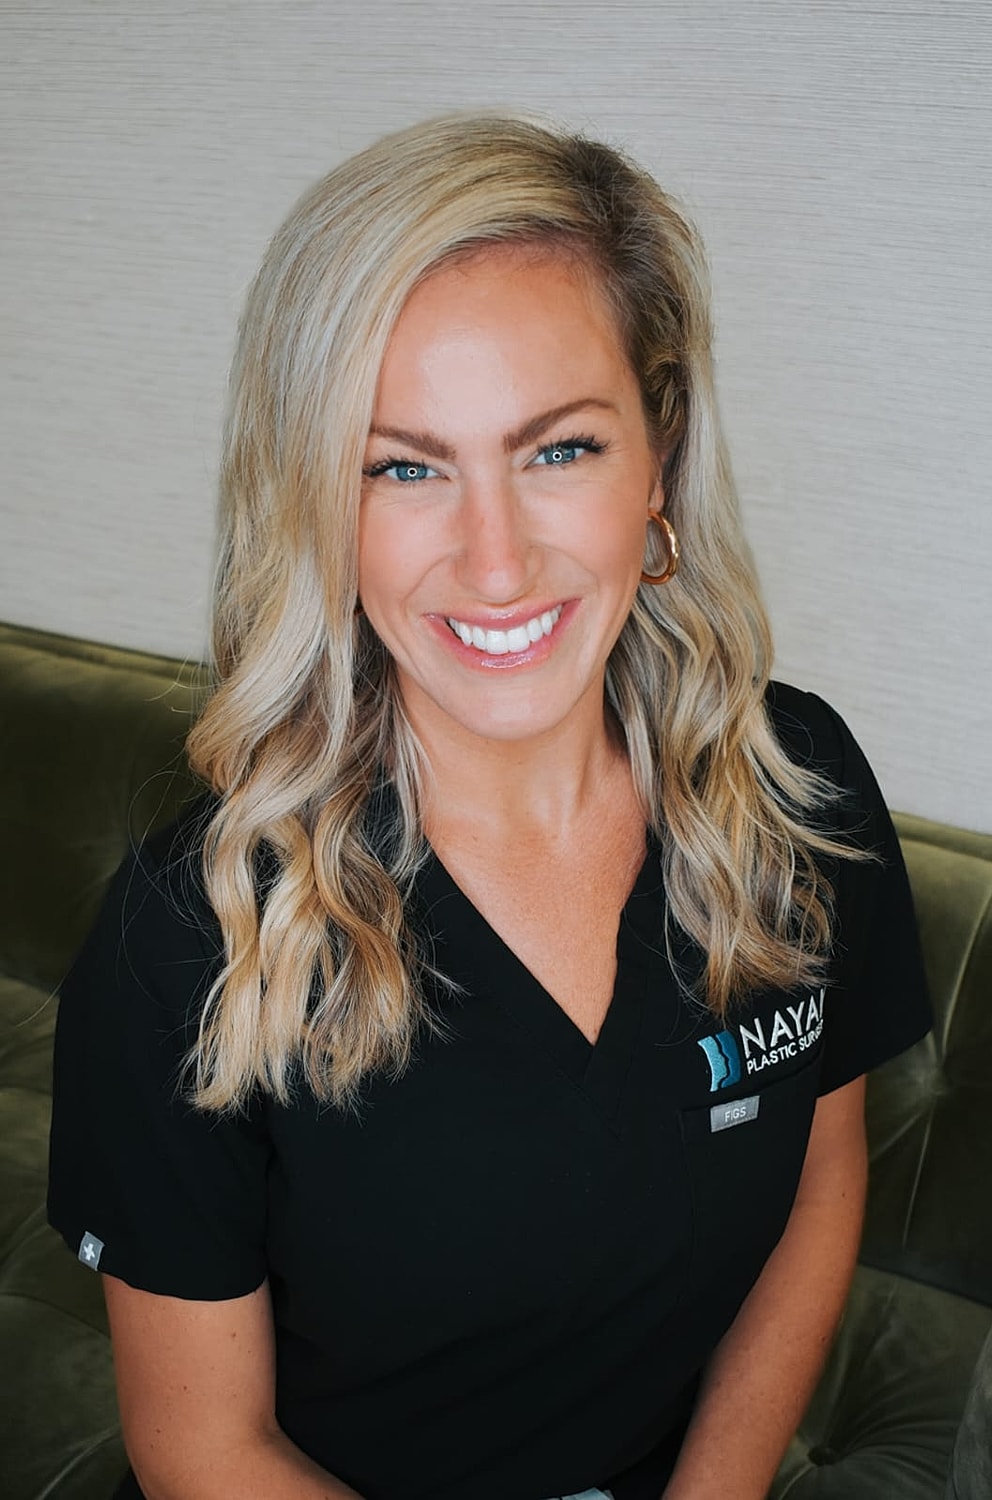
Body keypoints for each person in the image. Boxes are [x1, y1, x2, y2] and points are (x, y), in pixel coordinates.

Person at [48, 113, 931, 1500]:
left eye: (559, 450)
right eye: (403, 465)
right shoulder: (187, 941)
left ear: (659, 471)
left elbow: (819, 1190)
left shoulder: (797, 792)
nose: (497, 558)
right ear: (316, 513)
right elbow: (204, 1448)